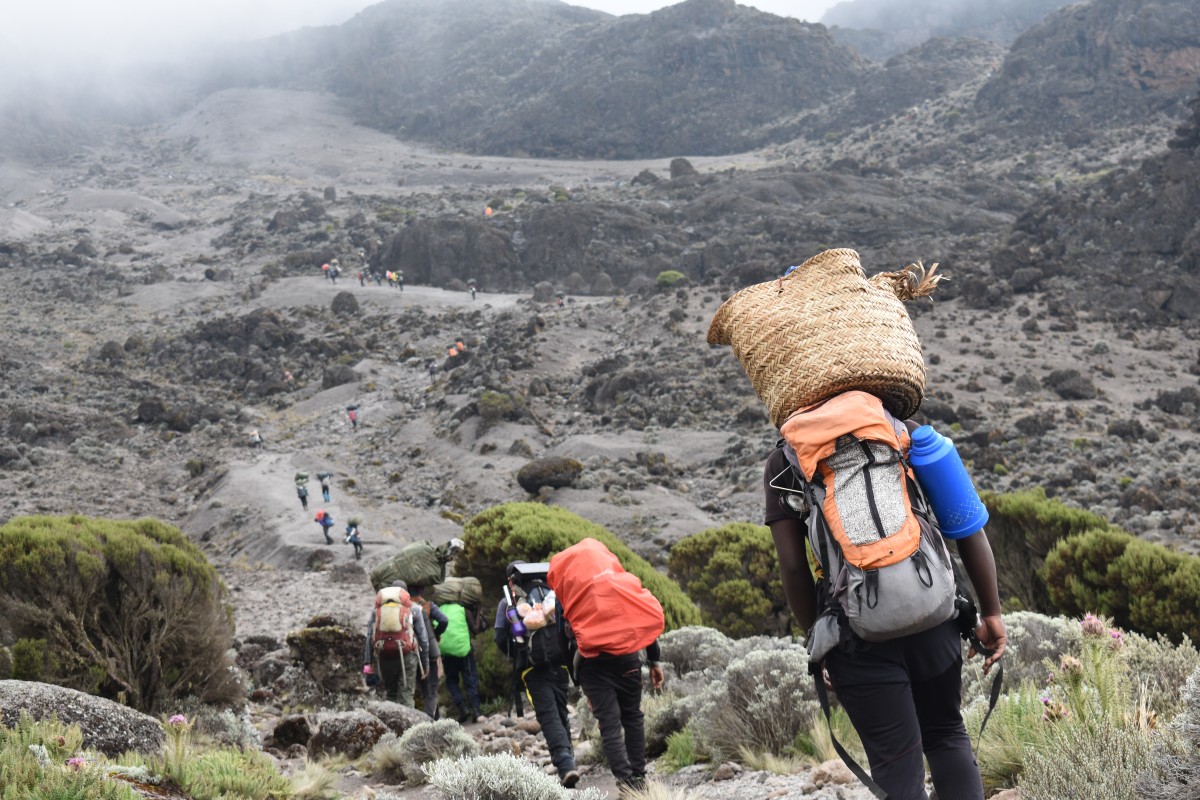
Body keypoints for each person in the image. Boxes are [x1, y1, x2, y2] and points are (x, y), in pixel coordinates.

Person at [765, 433, 1006, 800]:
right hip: (932, 616)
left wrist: (819, 639)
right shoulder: (907, 431)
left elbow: (794, 567)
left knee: (896, 762)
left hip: (854, 637)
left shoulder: (787, 459)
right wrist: (991, 612)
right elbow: (968, 526)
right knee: (946, 735)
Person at [494, 561, 580, 788]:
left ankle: (565, 763)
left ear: (511, 580)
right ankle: (568, 759)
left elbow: (500, 638)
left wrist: (518, 653)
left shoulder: (509, 602)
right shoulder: (550, 595)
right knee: (560, 710)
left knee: (548, 714)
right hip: (560, 661)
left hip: (531, 668)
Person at [363, 580, 429, 707]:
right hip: (407, 655)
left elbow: (369, 638)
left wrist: (368, 666)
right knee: (406, 695)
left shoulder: (377, 611)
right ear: (405, 594)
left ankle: (392, 724)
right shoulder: (414, 609)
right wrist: (425, 664)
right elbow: (424, 640)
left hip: (385, 656)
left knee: (391, 694)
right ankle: (409, 726)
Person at [440, 595, 483, 724]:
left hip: (447, 652)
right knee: (471, 679)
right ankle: (476, 711)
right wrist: (479, 611)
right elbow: (475, 629)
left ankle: (463, 708)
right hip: (464, 651)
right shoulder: (463, 609)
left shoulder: (438, 609)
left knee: (452, 680)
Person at [410, 585, 449, 718]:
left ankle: (434, 720)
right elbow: (444, 620)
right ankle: (430, 721)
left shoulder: (404, 608)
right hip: (430, 652)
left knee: (424, 688)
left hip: (412, 653)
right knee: (431, 689)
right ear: (420, 591)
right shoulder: (427, 605)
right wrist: (435, 634)